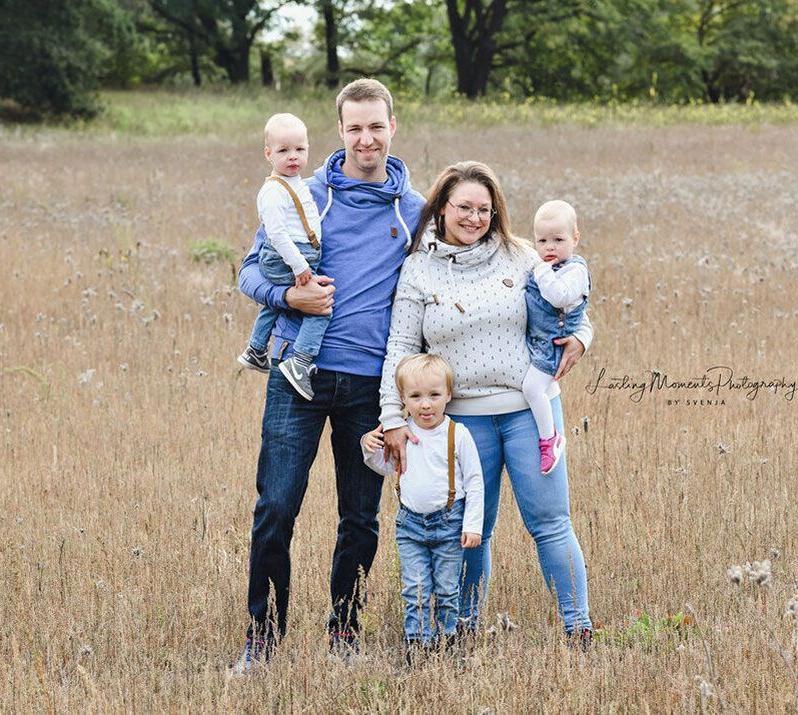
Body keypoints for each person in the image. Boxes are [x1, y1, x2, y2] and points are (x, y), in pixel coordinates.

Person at [232, 79, 426, 674]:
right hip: (299, 378)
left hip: (372, 389)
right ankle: (262, 641)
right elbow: (248, 274)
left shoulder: (415, 212)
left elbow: (474, 257)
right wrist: (291, 298)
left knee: (361, 516)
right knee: (277, 507)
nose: (365, 138)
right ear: (338, 132)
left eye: (375, 126)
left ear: (393, 128)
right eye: (353, 128)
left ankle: (344, 633)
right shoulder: (301, 195)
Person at [379, 161, 596, 642]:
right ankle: (463, 628)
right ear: (441, 208)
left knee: (551, 522)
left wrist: (583, 338)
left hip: (528, 413)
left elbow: (573, 306)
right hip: (459, 423)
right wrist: (392, 417)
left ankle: (578, 626)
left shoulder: (521, 257)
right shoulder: (417, 269)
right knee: (471, 530)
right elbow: (399, 348)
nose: (474, 218)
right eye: (463, 207)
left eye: (484, 209)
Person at [361, 353, 483, 662]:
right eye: (415, 397)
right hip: (410, 526)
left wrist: (472, 525)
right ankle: (416, 643)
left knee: (446, 588)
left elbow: (475, 481)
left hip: (449, 523)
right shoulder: (402, 433)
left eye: (433, 395)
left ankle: (447, 641)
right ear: (403, 399)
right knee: (414, 588)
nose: (425, 404)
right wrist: (368, 449)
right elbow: (383, 466)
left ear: (448, 396)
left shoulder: (458, 434)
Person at [237, 113, 328, 400]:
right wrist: (300, 266)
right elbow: (276, 234)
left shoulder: (297, 183)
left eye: (300, 150)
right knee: (320, 304)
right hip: (288, 257)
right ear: (268, 154)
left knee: (274, 307)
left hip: (297, 254)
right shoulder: (273, 190)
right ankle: (300, 360)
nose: (293, 157)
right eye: (283, 151)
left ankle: (256, 349)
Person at [521, 200, 591, 474]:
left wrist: (540, 270)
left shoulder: (575, 271)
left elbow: (558, 296)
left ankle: (550, 438)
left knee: (532, 389)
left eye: (558, 240)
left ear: (575, 238)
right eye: (542, 241)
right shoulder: (546, 265)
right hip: (535, 341)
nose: (549, 248)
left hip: (551, 345)